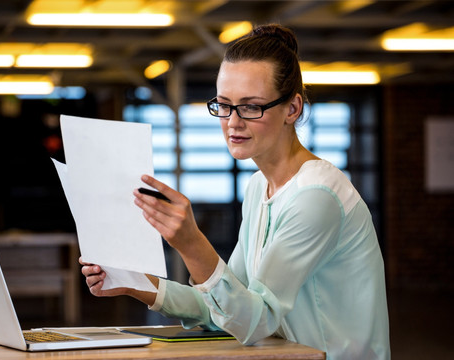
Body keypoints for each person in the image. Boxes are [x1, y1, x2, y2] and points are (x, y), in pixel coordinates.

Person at [80, 23, 390, 359]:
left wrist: (190, 242)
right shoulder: (260, 187)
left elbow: (254, 322)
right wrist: (135, 281)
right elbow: (228, 306)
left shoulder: (316, 196)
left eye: (251, 106)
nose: (233, 122)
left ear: (293, 108)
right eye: (224, 105)